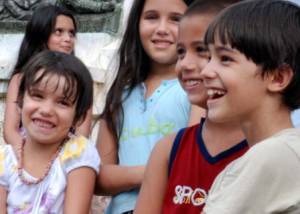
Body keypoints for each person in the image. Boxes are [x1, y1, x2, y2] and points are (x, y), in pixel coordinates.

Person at [134, 1, 247, 213]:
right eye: (181, 52)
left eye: (202, 50)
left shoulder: (265, 150)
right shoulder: (168, 149)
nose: (185, 64)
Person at [94, 0, 204, 213]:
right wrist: (154, 172)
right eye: (151, 17)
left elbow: (190, 163)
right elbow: (99, 177)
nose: (162, 29)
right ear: (136, 23)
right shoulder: (119, 94)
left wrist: (127, 176)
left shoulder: (197, 93)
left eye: (176, 19)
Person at [200, 0, 300, 213]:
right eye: (209, 57)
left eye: (225, 58)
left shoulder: (272, 155)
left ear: (278, 77)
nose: (205, 71)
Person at [0, 50, 100, 213]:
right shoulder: (4, 160)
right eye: (37, 96)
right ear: (20, 102)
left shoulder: (78, 153)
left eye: (62, 102)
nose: (46, 110)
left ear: (79, 117)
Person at [4, 4, 92, 146]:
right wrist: (24, 155)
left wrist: (62, 160)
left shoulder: (81, 82)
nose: (68, 39)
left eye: (71, 33)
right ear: (40, 34)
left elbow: (82, 134)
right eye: (59, 31)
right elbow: (10, 130)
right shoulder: (20, 79)